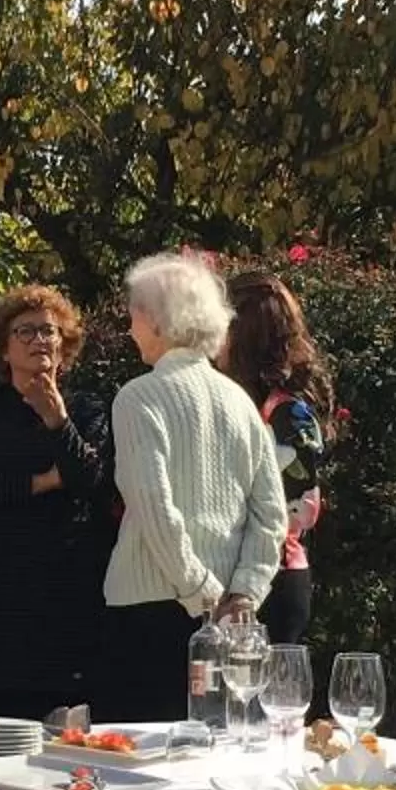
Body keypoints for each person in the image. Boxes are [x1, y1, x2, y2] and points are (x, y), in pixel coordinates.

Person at [94, 251, 289, 726]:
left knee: (139, 763)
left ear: (160, 321)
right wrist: (242, 595)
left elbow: (155, 509)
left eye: (135, 311)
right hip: (227, 616)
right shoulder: (239, 400)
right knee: (213, 753)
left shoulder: (138, 397)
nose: (129, 324)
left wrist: (205, 594)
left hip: (151, 610)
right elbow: (271, 515)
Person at [0, 283, 116, 720]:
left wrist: (57, 421)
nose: (40, 340)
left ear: (64, 346)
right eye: (26, 331)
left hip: (65, 578)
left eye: (49, 331)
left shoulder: (85, 409)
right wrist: (44, 481)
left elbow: (92, 481)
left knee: (61, 717)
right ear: (4, 348)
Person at [221, 270, 333, 648]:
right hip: (232, 577)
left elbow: (299, 505)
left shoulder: (287, 412)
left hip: (275, 576)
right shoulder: (233, 401)